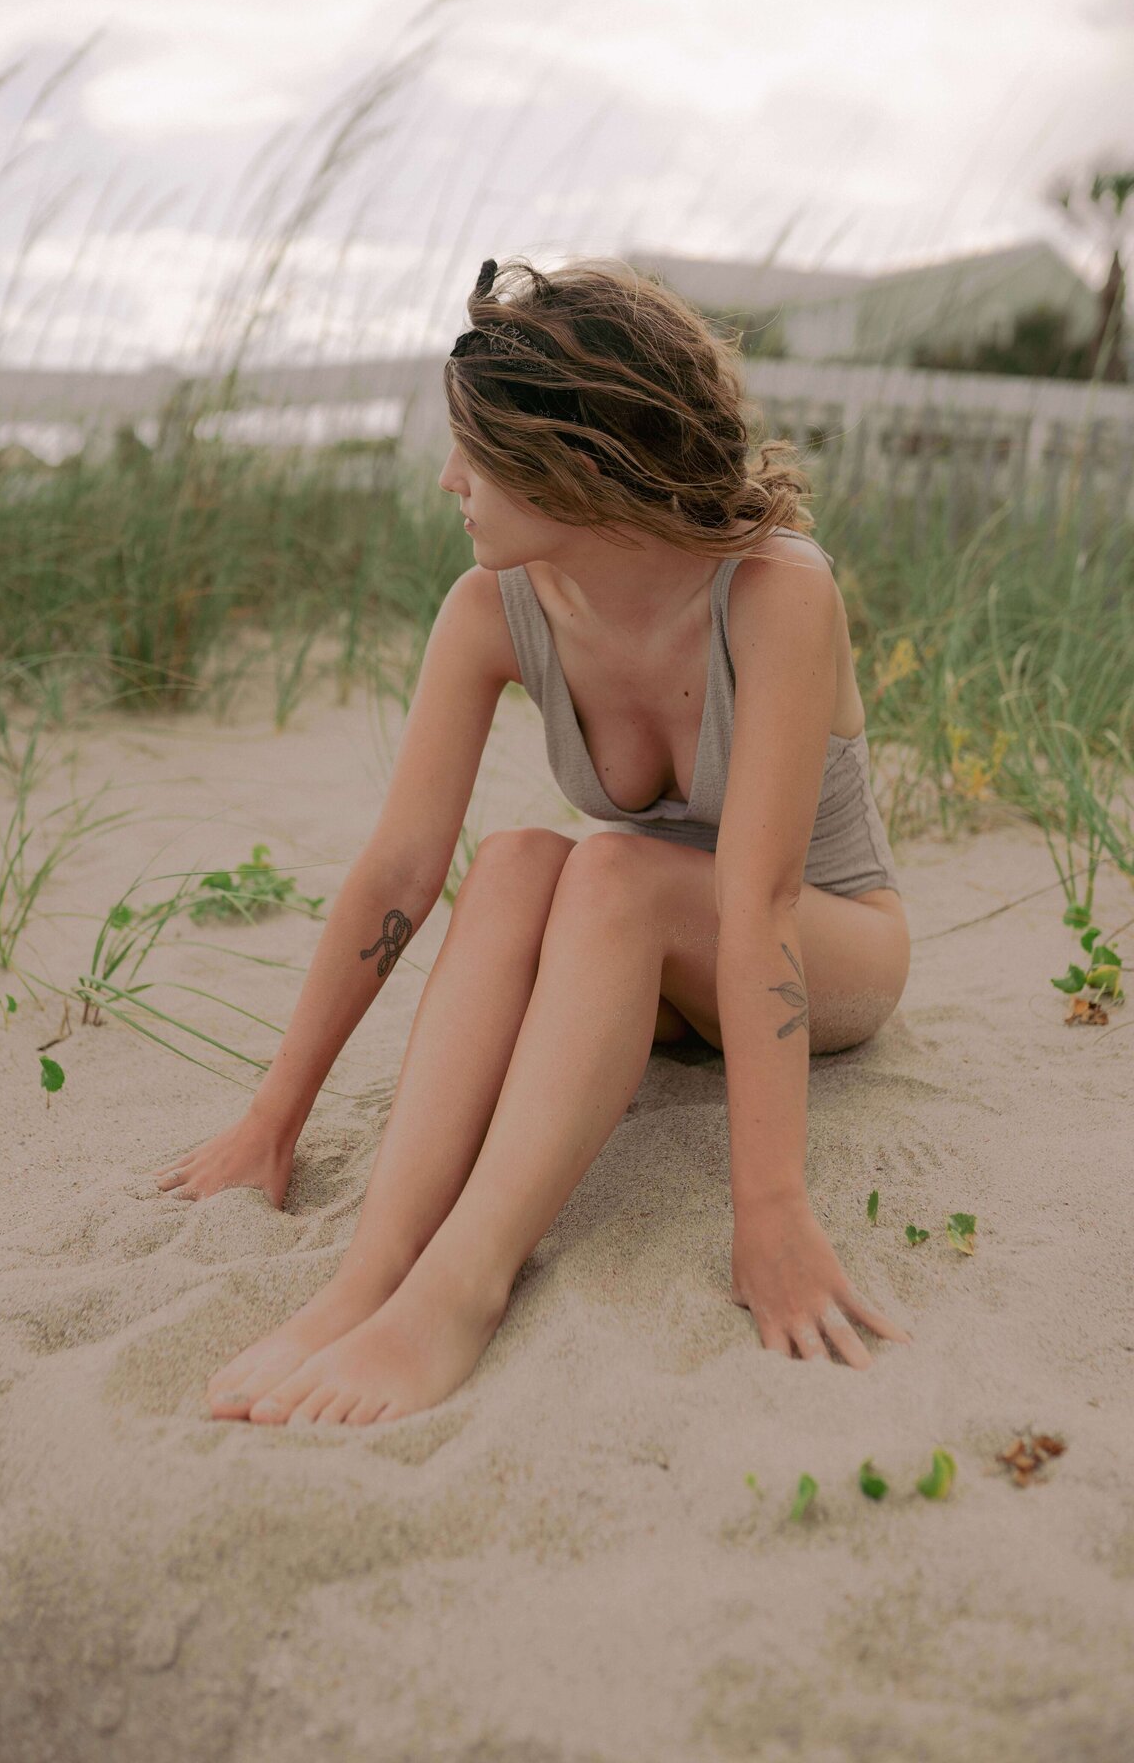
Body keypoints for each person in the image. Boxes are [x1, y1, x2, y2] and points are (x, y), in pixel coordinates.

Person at [157, 254, 914, 1427]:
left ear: (582, 463)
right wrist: (276, 1114)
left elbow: (758, 902)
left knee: (610, 864)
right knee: (513, 860)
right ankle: (370, 1279)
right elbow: (404, 871)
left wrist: (768, 1211)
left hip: (830, 949)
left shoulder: (776, 594)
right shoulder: (490, 611)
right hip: (647, 955)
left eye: (480, 454)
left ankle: (457, 1294)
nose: (451, 480)